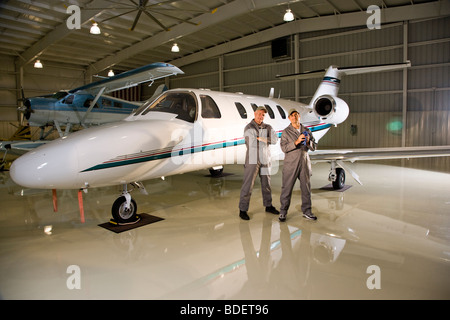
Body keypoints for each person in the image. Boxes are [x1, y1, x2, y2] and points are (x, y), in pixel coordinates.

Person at [239, 106, 279, 220]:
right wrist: (266, 139)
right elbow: (251, 142)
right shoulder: (249, 127)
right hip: (253, 158)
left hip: (265, 158)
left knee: (267, 184)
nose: (261, 116)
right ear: (255, 113)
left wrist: (261, 138)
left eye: (263, 115)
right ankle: (243, 209)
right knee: (248, 184)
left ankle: (268, 205)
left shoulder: (268, 127)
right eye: (259, 114)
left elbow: (275, 140)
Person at [279, 108, 317, 222]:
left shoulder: (306, 130)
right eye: (292, 116)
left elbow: (314, 147)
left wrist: (309, 141)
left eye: (296, 115)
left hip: (304, 163)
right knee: (287, 189)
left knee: (306, 189)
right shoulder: (286, 132)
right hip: (291, 164)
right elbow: (284, 148)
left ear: (299, 116)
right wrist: (296, 142)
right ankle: (283, 212)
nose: (294, 117)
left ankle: (307, 211)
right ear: (289, 118)